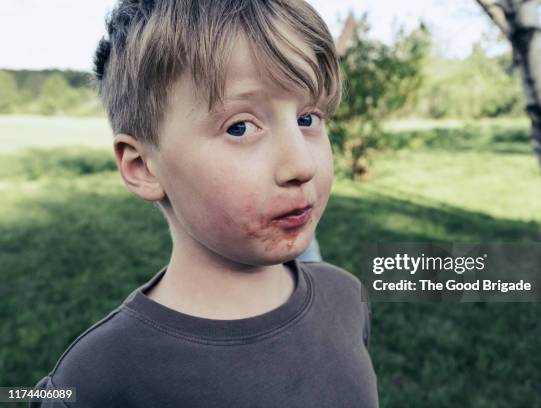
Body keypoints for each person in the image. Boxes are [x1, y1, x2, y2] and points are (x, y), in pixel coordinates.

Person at [31, 0, 378, 406]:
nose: (301, 164)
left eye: (308, 119)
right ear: (144, 166)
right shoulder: (94, 380)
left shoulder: (346, 297)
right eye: (241, 127)